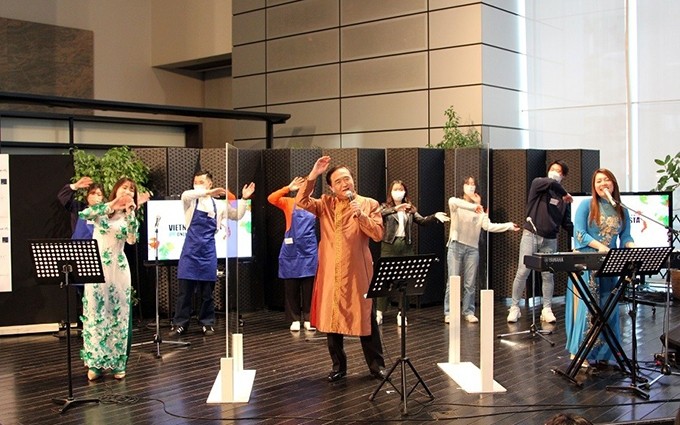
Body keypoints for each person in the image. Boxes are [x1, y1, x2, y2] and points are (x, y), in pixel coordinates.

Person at [295, 155, 386, 382]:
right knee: (332, 320)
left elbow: (378, 234)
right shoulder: (325, 204)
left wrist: (361, 215)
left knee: (366, 317)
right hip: (330, 272)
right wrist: (313, 175)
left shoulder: (369, 203)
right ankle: (338, 366)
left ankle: (377, 366)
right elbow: (301, 201)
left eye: (347, 178)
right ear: (331, 187)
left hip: (358, 272)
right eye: (338, 181)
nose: (345, 184)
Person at [169, 171, 254, 337]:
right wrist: (208, 192)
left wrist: (243, 199)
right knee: (184, 292)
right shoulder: (190, 201)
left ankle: (207, 323)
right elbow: (187, 193)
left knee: (207, 293)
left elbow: (236, 216)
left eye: (201, 182)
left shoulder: (219, 205)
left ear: (210, 183)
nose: (197, 184)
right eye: (195, 182)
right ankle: (180, 323)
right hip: (190, 252)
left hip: (208, 252)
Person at [565, 168, 634, 365]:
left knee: (608, 307)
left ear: (613, 184)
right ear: (594, 187)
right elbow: (580, 234)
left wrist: (632, 246)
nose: (603, 184)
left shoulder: (622, 209)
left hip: (610, 264)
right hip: (588, 263)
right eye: (598, 181)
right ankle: (581, 352)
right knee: (588, 310)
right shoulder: (586, 205)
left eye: (606, 180)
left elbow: (626, 236)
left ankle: (605, 353)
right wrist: (602, 247)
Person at [79, 177, 140, 381]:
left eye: (132, 189)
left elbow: (132, 240)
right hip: (97, 267)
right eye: (125, 187)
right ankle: (96, 363)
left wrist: (131, 212)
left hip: (119, 268)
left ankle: (118, 363)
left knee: (118, 315)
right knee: (95, 313)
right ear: (116, 190)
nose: (128, 191)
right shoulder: (102, 211)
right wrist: (113, 204)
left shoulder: (129, 217)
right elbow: (84, 213)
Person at [445, 177, 519, 324]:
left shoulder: (480, 209)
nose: (471, 187)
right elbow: (453, 202)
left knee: (470, 283)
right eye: (468, 184)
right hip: (456, 246)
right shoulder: (456, 203)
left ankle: (468, 311)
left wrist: (509, 225)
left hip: (472, 248)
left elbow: (488, 226)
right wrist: (474, 206)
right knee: (452, 280)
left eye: (473, 184)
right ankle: (449, 312)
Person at [507, 160, 573, 323]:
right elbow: (550, 182)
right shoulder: (538, 184)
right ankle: (515, 307)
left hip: (550, 238)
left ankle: (547, 308)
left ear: (563, 175)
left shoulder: (564, 199)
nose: (554, 173)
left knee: (547, 274)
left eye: (558, 171)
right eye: (552, 169)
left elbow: (566, 223)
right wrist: (564, 192)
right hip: (531, 234)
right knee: (523, 271)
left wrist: (578, 236)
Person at [377, 179, 448, 326]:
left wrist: (434, 216)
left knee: (405, 281)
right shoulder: (385, 206)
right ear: (391, 191)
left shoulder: (410, 209)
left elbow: (421, 220)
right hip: (389, 245)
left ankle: (402, 313)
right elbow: (378, 214)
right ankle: (379, 312)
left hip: (406, 246)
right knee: (385, 279)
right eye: (396, 189)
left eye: (401, 189)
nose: (399, 192)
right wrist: (395, 209)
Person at [267, 177, 318, 332]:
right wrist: (288, 188)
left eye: (308, 187)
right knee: (291, 286)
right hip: (291, 250)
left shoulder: (316, 204)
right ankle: (294, 318)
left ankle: (310, 317)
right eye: (302, 187)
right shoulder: (289, 202)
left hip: (309, 250)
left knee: (309, 286)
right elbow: (271, 198)